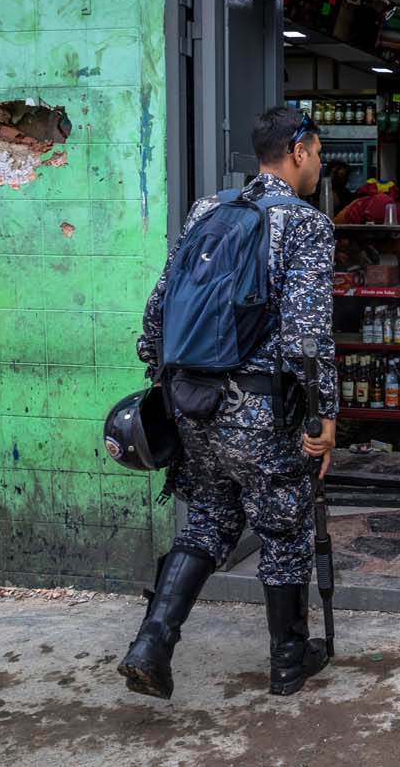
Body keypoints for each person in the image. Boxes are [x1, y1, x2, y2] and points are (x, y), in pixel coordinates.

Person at [122, 106, 338, 699]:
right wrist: (323, 417)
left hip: (194, 407)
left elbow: (155, 315)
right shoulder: (306, 225)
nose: (320, 164)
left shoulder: (208, 211)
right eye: (317, 152)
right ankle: (289, 664)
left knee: (210, 522)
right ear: (298, 150)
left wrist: (168, 383)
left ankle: (152, 643)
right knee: (284, 529)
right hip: (264, 416)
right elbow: (306, 339)